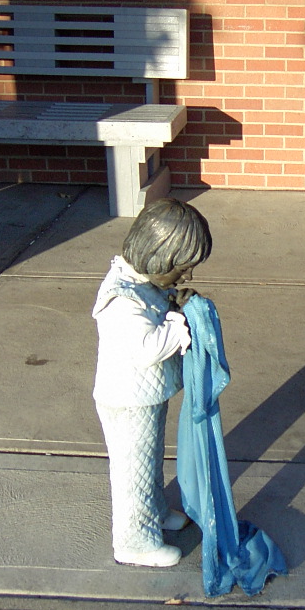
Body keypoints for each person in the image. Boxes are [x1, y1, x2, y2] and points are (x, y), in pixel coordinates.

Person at [92, 197, 212, 567]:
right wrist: (179, 324)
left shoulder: (140, 283)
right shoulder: (122, 301)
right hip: (129, 401)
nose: (186, 277)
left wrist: (173, 304)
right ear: (159, 257)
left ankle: (155, 511)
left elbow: (157, 307)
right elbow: (147, 349)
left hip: (144, 396)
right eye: (182, 268)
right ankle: (135, 540)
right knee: (133, 471)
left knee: (149, 462)